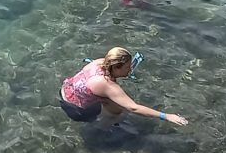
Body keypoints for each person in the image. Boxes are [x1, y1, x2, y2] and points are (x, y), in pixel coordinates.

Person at [59, 47, 188, 126]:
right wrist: (166, 116)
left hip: (64, 93)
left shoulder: (99, 63)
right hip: (75, 110)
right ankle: (101, 129)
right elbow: (134, 108)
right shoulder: (107, 85)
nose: (130, 70)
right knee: (118, 109)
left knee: (109, 98)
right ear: (116, 67)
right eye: (127, 67)